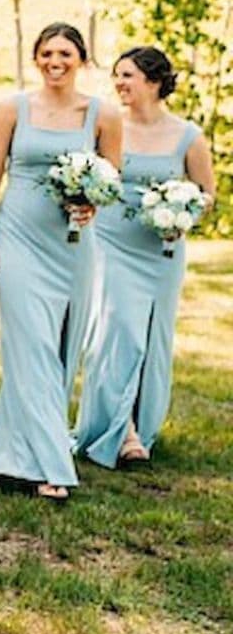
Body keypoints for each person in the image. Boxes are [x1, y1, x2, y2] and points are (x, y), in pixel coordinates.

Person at [0, 22, 123, 500]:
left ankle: (10, 456)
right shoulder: (12, 108)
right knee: (31, 343)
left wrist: (92, 203)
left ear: (81, 59)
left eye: (64, 53)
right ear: (36, 58)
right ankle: (52, 465)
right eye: (46, 53)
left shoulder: (102, 114)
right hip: (18, 236)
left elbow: (112, 178)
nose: (54, 61)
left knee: (58, 350)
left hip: (73, 244)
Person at [75, 46, 214, 466]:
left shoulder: (187, 135)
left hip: (162, 248)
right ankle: (123, 432)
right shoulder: (108, 126)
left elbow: (207, 193)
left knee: (152, 337)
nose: (119, 83)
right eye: (116, 75)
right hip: (112, 242)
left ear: (154, 82)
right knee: (118, 330)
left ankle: (138, 422)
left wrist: (183, 212)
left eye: (127, 75)